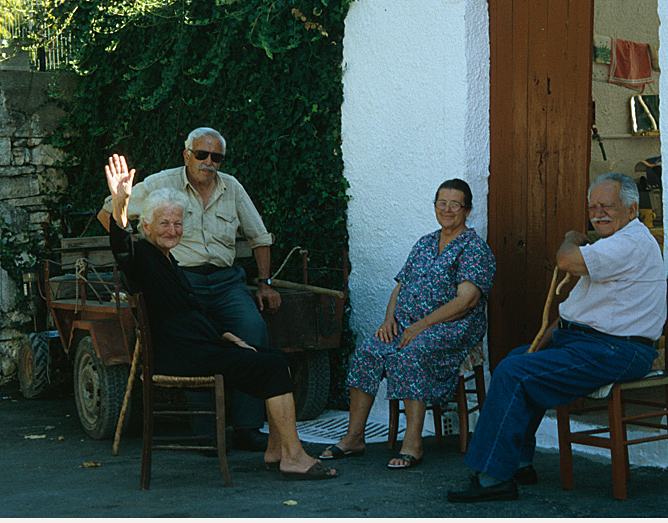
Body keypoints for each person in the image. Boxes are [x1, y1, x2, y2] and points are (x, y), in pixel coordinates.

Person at [104, 153, 336, 481]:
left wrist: (225, 336)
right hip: (182, 355)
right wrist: (120, 203)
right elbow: (121, 245)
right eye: (164, 223)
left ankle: (275, 449)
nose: (172, 230)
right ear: (147, 226)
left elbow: (193, 313)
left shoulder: (169, 261)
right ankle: (294, 457)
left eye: (177, 223)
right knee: (269, 366)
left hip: (197, 347)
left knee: (273, 357)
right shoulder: (142, 257)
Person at [447, 172, 666, 502]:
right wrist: (543, 343)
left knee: (514, 373)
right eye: (592, 207)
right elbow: (572, 312)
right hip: (593, 345)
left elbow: (565, 259)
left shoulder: (630, 242)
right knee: (519, 361)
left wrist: (570, 239)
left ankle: (494, 477)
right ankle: (517, 462)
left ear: (632, 210)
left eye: (607, 206)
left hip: (617, 350)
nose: (597, 213)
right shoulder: (611, 246)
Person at [97, 127, 279, 451]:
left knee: (253, 328)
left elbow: (260, 237)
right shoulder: (160, 183)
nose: (208, 162)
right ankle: (206, 430)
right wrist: (145, 255)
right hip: (182, 278)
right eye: (201, 154)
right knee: (192, 336)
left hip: (225, 281)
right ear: (187, 155)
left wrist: (264, 283)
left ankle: (248, 428)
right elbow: (109, 216)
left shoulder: (232, 187)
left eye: (216, 157)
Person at [318, 179, 496, 469]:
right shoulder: (425, 242)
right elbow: (400, 288)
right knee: (368, 351)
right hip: (408, 324)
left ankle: (413, 443)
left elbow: (467, 301)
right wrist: (390, 319)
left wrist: (420, 326)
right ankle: (354, 437)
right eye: (442, 203)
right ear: (435, 206)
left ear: (467, 210)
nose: (447, 209)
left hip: (453, 326)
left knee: (411, 354)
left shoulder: (474, 248)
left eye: (455, 204)